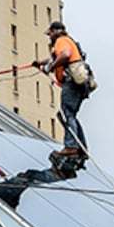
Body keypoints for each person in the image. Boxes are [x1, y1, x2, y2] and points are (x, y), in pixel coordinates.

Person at [33, 21, 90, 157]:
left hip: (71, 82)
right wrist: (40, 63)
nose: (49, 37)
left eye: (50, 34)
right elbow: (56, 57)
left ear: (54, 32)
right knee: (70, 115)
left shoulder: (61, 40)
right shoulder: (69, 41)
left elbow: (65, 54)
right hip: (80, 83)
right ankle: (81, 148)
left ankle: (71, 147)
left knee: (66, 114)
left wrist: (50, 67)